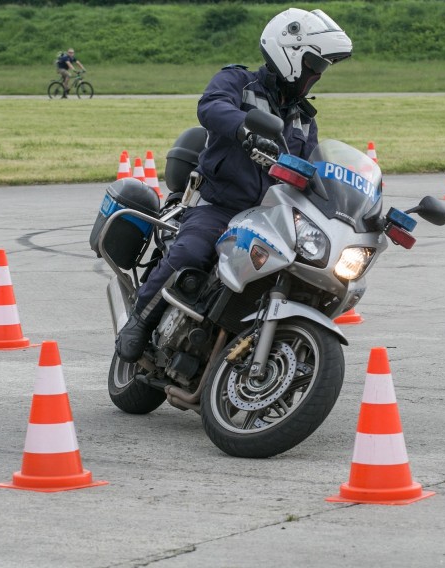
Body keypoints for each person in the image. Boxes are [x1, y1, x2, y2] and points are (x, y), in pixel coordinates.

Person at [115, 8, 353, 363]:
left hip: (269, 219)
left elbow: (313, 169)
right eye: (314, 65)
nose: (317, 75)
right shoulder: (238, 82)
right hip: (219, 205)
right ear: (290, 54)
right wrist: (244, 127)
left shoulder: (304, 119)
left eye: (321, 68)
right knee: (191, 252)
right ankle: (139, 322)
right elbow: (210, 107)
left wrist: (345, 202)